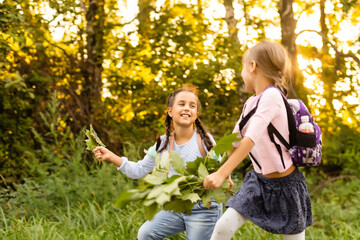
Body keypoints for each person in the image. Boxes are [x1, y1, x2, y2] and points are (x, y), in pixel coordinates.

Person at [203, 40, 313, 240]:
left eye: (242, 68)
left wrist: (222, 173)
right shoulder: (250, 103)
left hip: (286, 185)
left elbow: (251, 137)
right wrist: (222, 169)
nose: (242, 73)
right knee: (223, 227)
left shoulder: (272, 96)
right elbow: (235, 140)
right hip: (258, 182)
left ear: (252, 66)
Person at [93, 84, 233, 240]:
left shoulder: (205, 140)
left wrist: (226, 176)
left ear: (196, 114)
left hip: (203, 208)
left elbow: (220, 168)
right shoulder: (162, 144)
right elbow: (138, 170)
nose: (187, 108)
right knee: (146, 234)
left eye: (192, 106)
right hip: (177, 206)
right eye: (182, 104)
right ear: (170, 111)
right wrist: (112, 156)